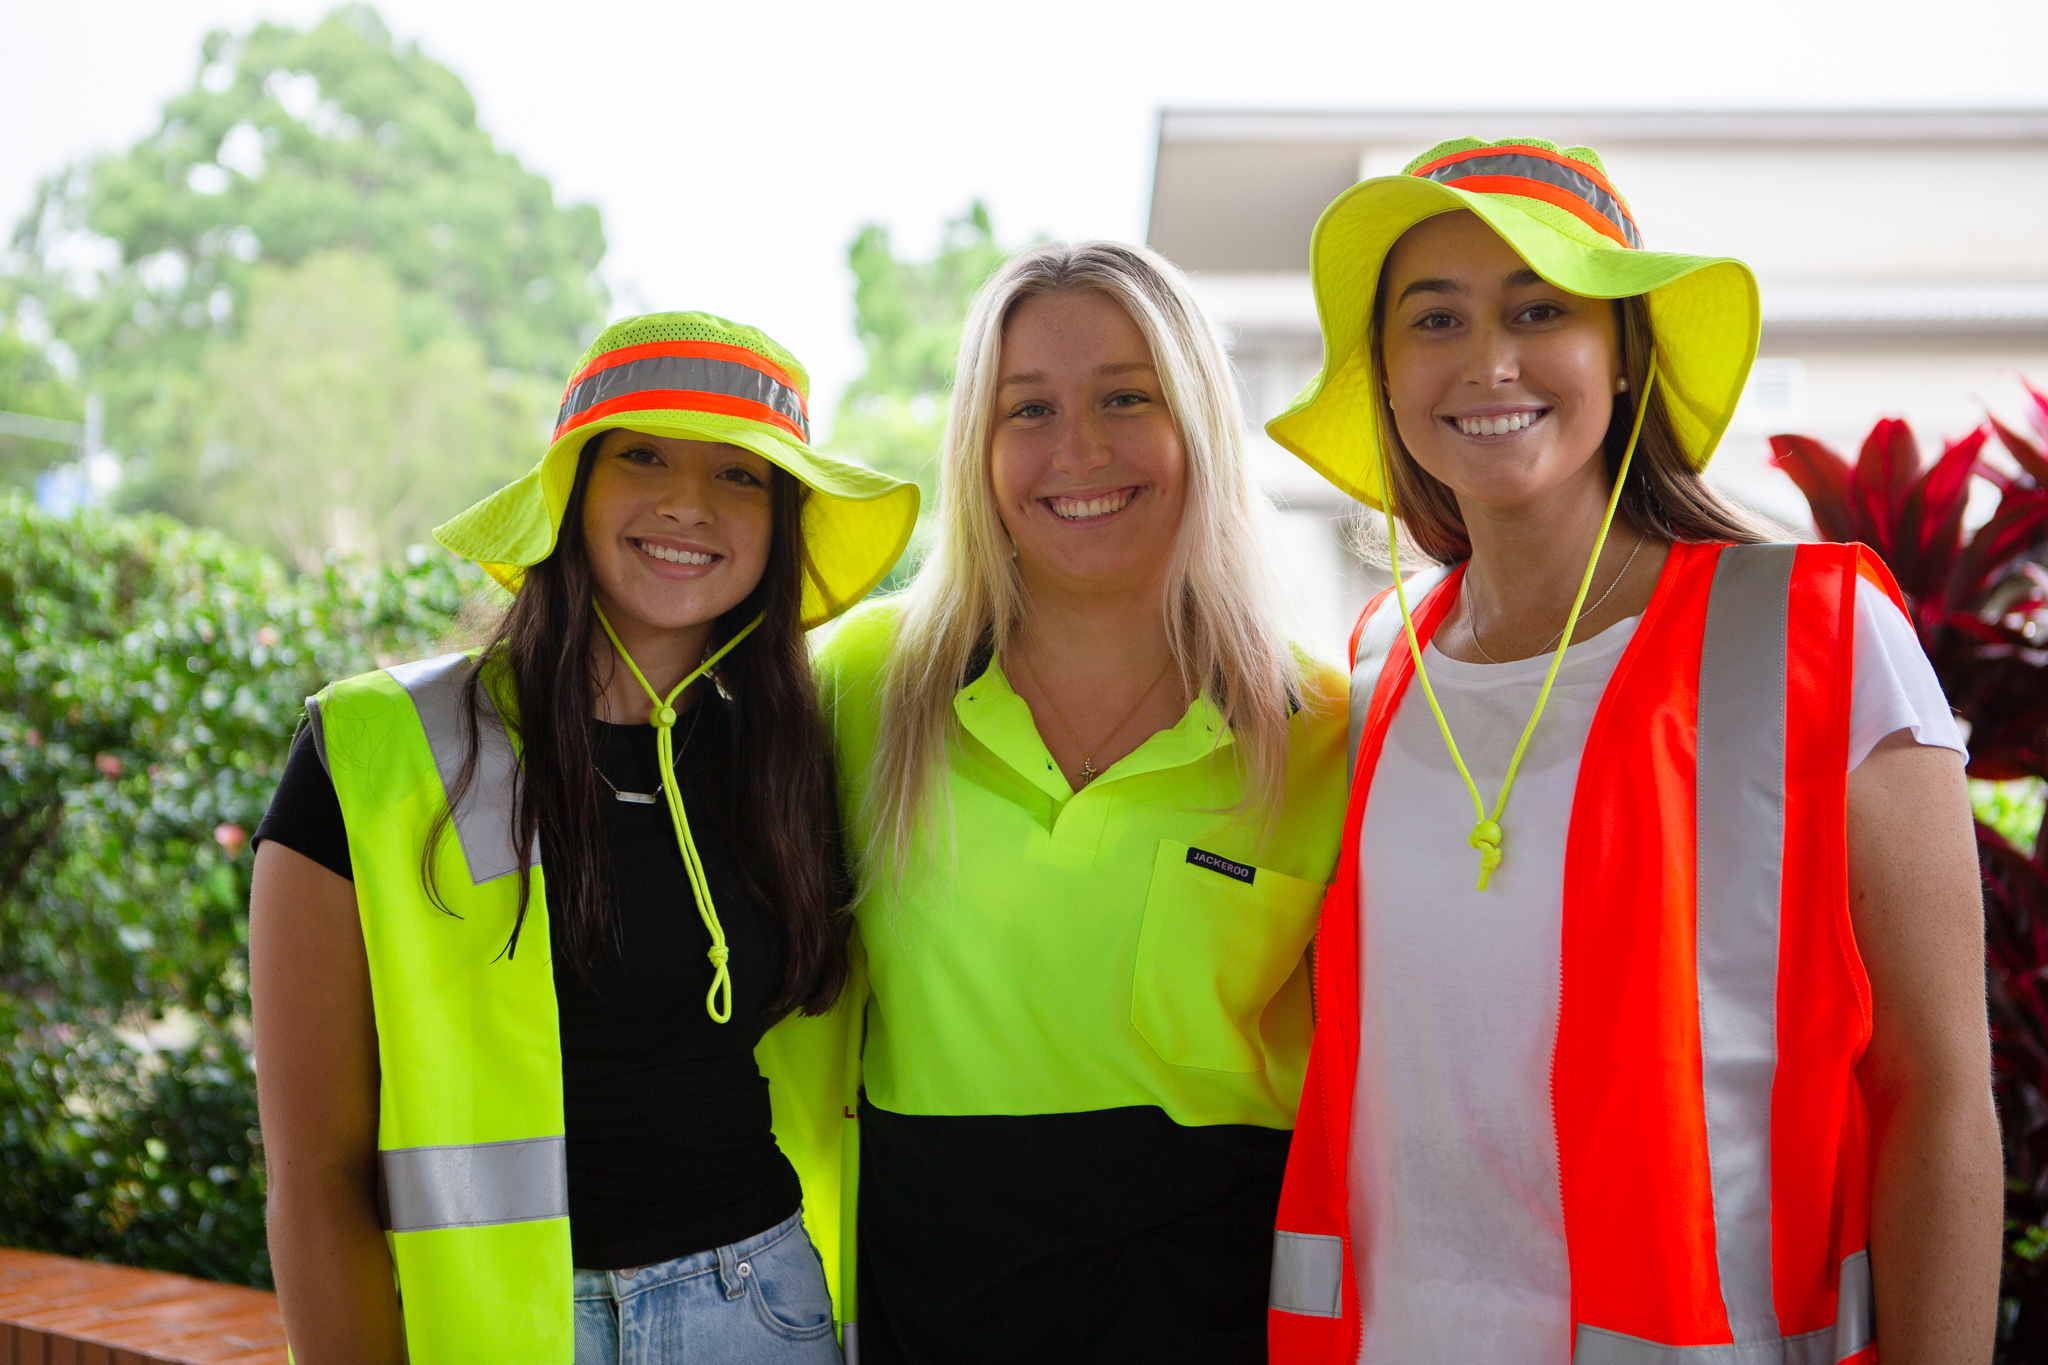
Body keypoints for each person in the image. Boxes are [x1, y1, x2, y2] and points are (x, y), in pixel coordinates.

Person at [1261, 138, 2003, 1364]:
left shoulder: (1814, 633)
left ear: (1621, 355)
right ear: (1386, 377)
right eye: (1431, 317)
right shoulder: (1377, 666)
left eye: (1538, 308)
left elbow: (1934, 1091)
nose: (1485, 358)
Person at [249, 312, 917, 1365]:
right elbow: (312, 1172)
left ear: (780, 518)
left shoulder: (801, 749)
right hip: (499, 1331)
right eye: (640, 456)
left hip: (762, 1311)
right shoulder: (376, 748)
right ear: (570, 493)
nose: (687, 504)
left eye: (740, 475)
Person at [814, 241, 1349, 1363]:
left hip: (1219, 1315)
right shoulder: (858, 685)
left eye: (1123, 397)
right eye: (1029, 409)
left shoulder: (1324, 725)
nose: (1080, 450)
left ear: (1196, 422)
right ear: (977, 444)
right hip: (932, 1313)